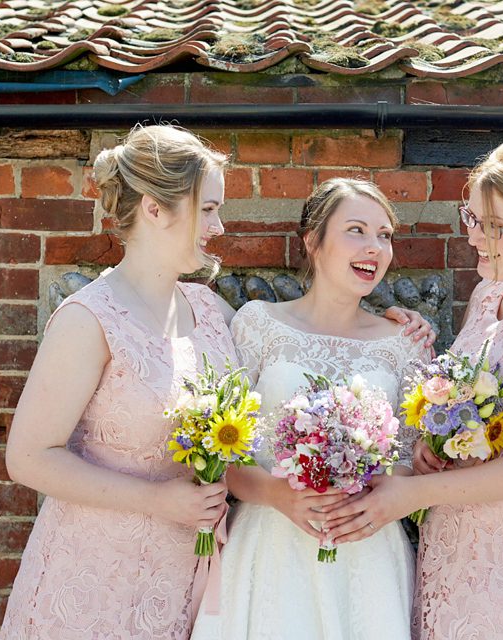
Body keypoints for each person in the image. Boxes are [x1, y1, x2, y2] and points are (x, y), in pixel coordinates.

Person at [0, 126, 433, 639]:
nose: (218, 225)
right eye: (207, 209)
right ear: (154, 209)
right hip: (97, 571)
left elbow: (304, 352)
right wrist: (160, 501)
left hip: (189, 575)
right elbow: (27, 458)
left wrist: (396, 320)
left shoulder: (206, 310)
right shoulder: (88, 318)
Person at [323, 138, 503, 640]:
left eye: (495, 226)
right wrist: (429, 447)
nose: (476, 237)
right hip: (453, 546)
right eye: (473, 217)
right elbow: (464, 398)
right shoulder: (490, 293)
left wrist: (413, 493)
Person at [189, 178, 431, 640]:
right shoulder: (258, 325)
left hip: (366, 549)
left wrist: (366, 485)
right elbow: (221, 453)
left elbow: (416, 464)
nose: (375, 247)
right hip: (270, 544)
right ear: (312, 242)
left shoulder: (406, 343)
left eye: (385, 235)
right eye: (356, 230)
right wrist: (280, 495)